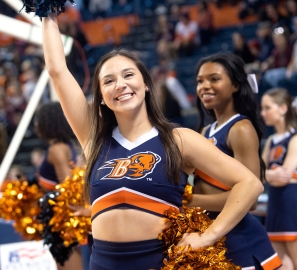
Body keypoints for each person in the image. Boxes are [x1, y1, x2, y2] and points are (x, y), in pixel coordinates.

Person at [42, 13, 263, 269]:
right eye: (109, 81)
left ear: (146, 84)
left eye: (128, 75)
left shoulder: (179, 140)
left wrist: (209, 236)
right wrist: (48, 12)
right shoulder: (94, 139)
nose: (120, 85)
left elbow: (249, 184)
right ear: (101, 96)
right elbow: (57, 71)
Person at [188, 53, 281, 269]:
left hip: (240, 239)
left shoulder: (241, 128)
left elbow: (251, 200)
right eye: (200, 81)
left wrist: (192, 201)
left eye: (214, 79)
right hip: (216, 235)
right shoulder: (206, 130)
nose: (204, 86)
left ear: (236, 85)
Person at [261, 88, 297, 270]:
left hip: (293, 205)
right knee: (282, 266)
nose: (263, 113)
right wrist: (269, 175)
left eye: (267, 108)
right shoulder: (271, 140)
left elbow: (283, 177)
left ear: (283, 109)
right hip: (275, 205)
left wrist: (265, 175)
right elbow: (257, 174)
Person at [34, 101, 83, 270]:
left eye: (38, 119)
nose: (35, 124)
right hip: (58, 220)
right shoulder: (64, 146)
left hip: (62, 221)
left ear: (48, 122)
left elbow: (68, 187)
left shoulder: (57, 150)